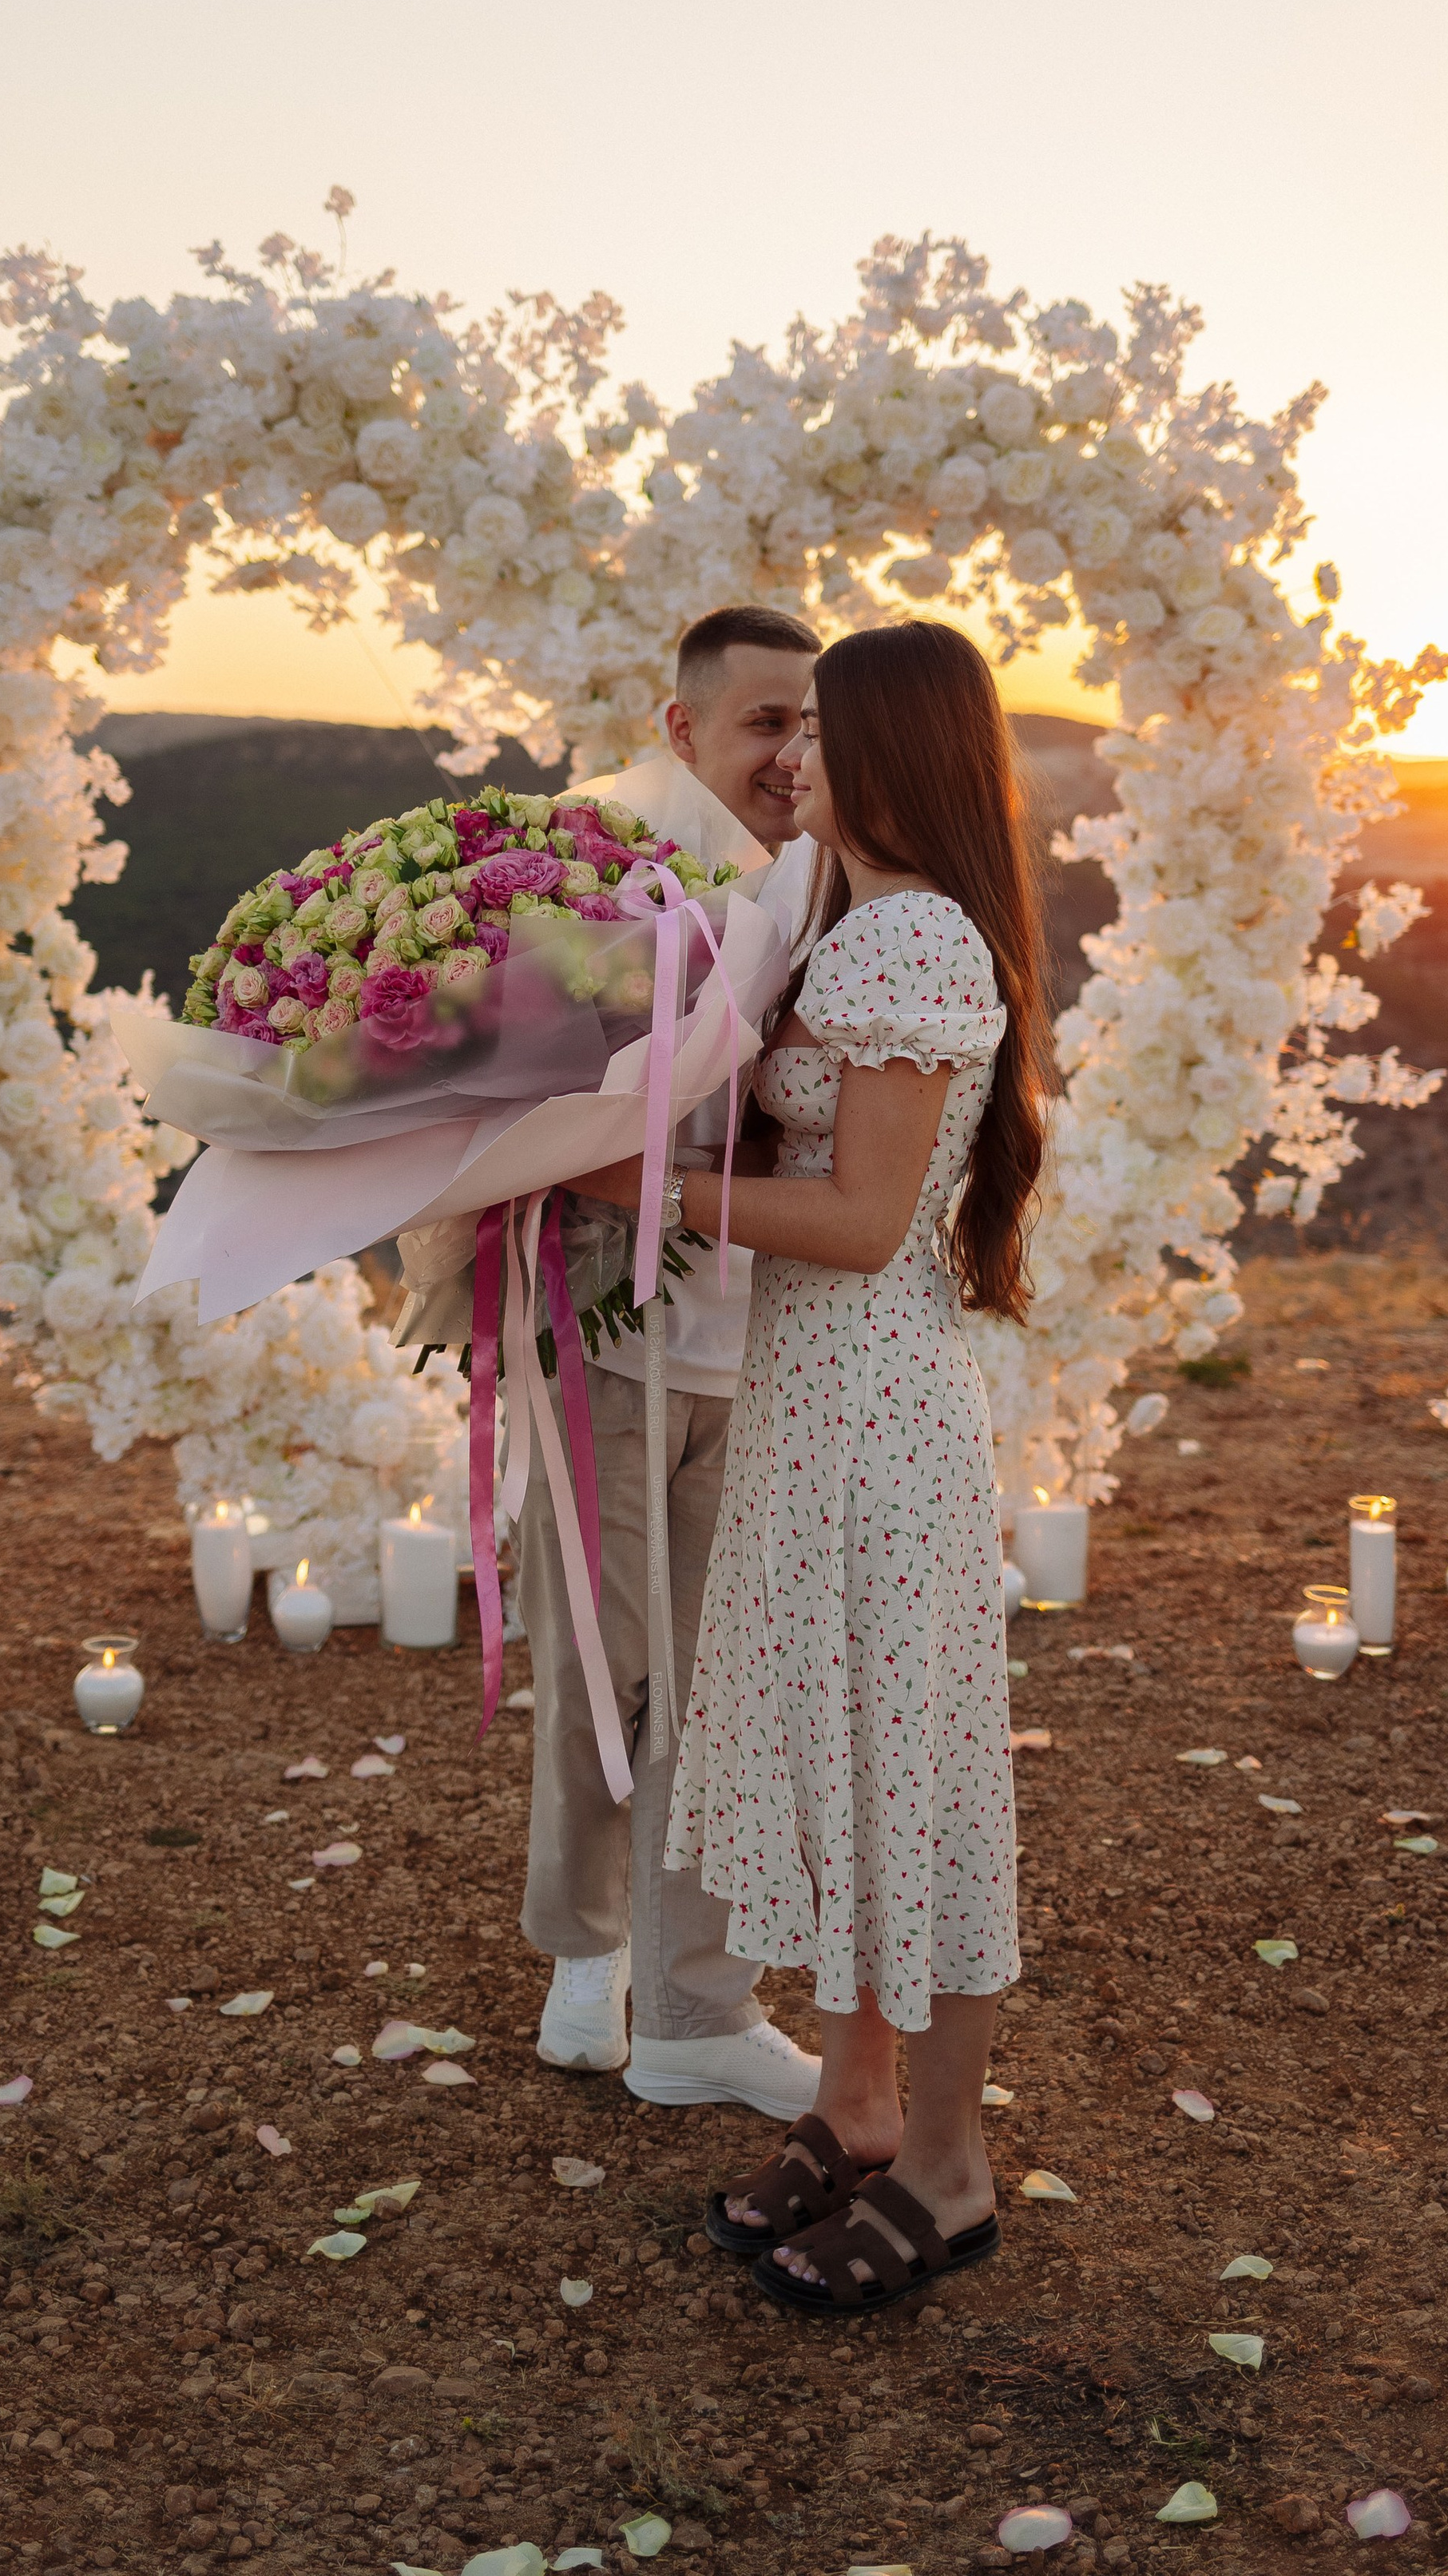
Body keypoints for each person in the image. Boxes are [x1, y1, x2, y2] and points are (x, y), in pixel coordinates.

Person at [573, 618, 1049, 2313]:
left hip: (872, 1423)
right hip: (819, 1408)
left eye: (827, 735)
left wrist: (634, 1190)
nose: (800, 763)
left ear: (895, 752)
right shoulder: (848, 923)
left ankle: (947, 2166)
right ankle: (856, 2106)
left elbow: (852, 1225)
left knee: (906, 1790)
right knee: (849, 1770)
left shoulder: (910, 943)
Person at [514, 601, 831, 2118]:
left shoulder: (824, 891)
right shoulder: (591, 880)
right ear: (681, 727)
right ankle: (589, 1954)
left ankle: (696, 1992)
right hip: (605, 1327)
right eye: (766, 721)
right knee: (604, 1662)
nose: (793, 753)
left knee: (720, 1690)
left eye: (812, 724)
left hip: (762, 1344)